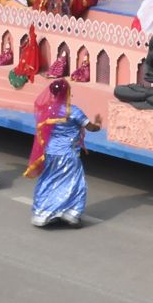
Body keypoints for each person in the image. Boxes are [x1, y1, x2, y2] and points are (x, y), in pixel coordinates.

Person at [24, 78, 101, 227]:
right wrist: (98, 123)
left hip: (50, 153)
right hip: (68, 155)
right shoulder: (73, 111)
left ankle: (43, 213)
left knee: (49, 180)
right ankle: (71, 213)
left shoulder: (47, 110)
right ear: (67, 93)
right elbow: (91, 128)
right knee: (74, 182)